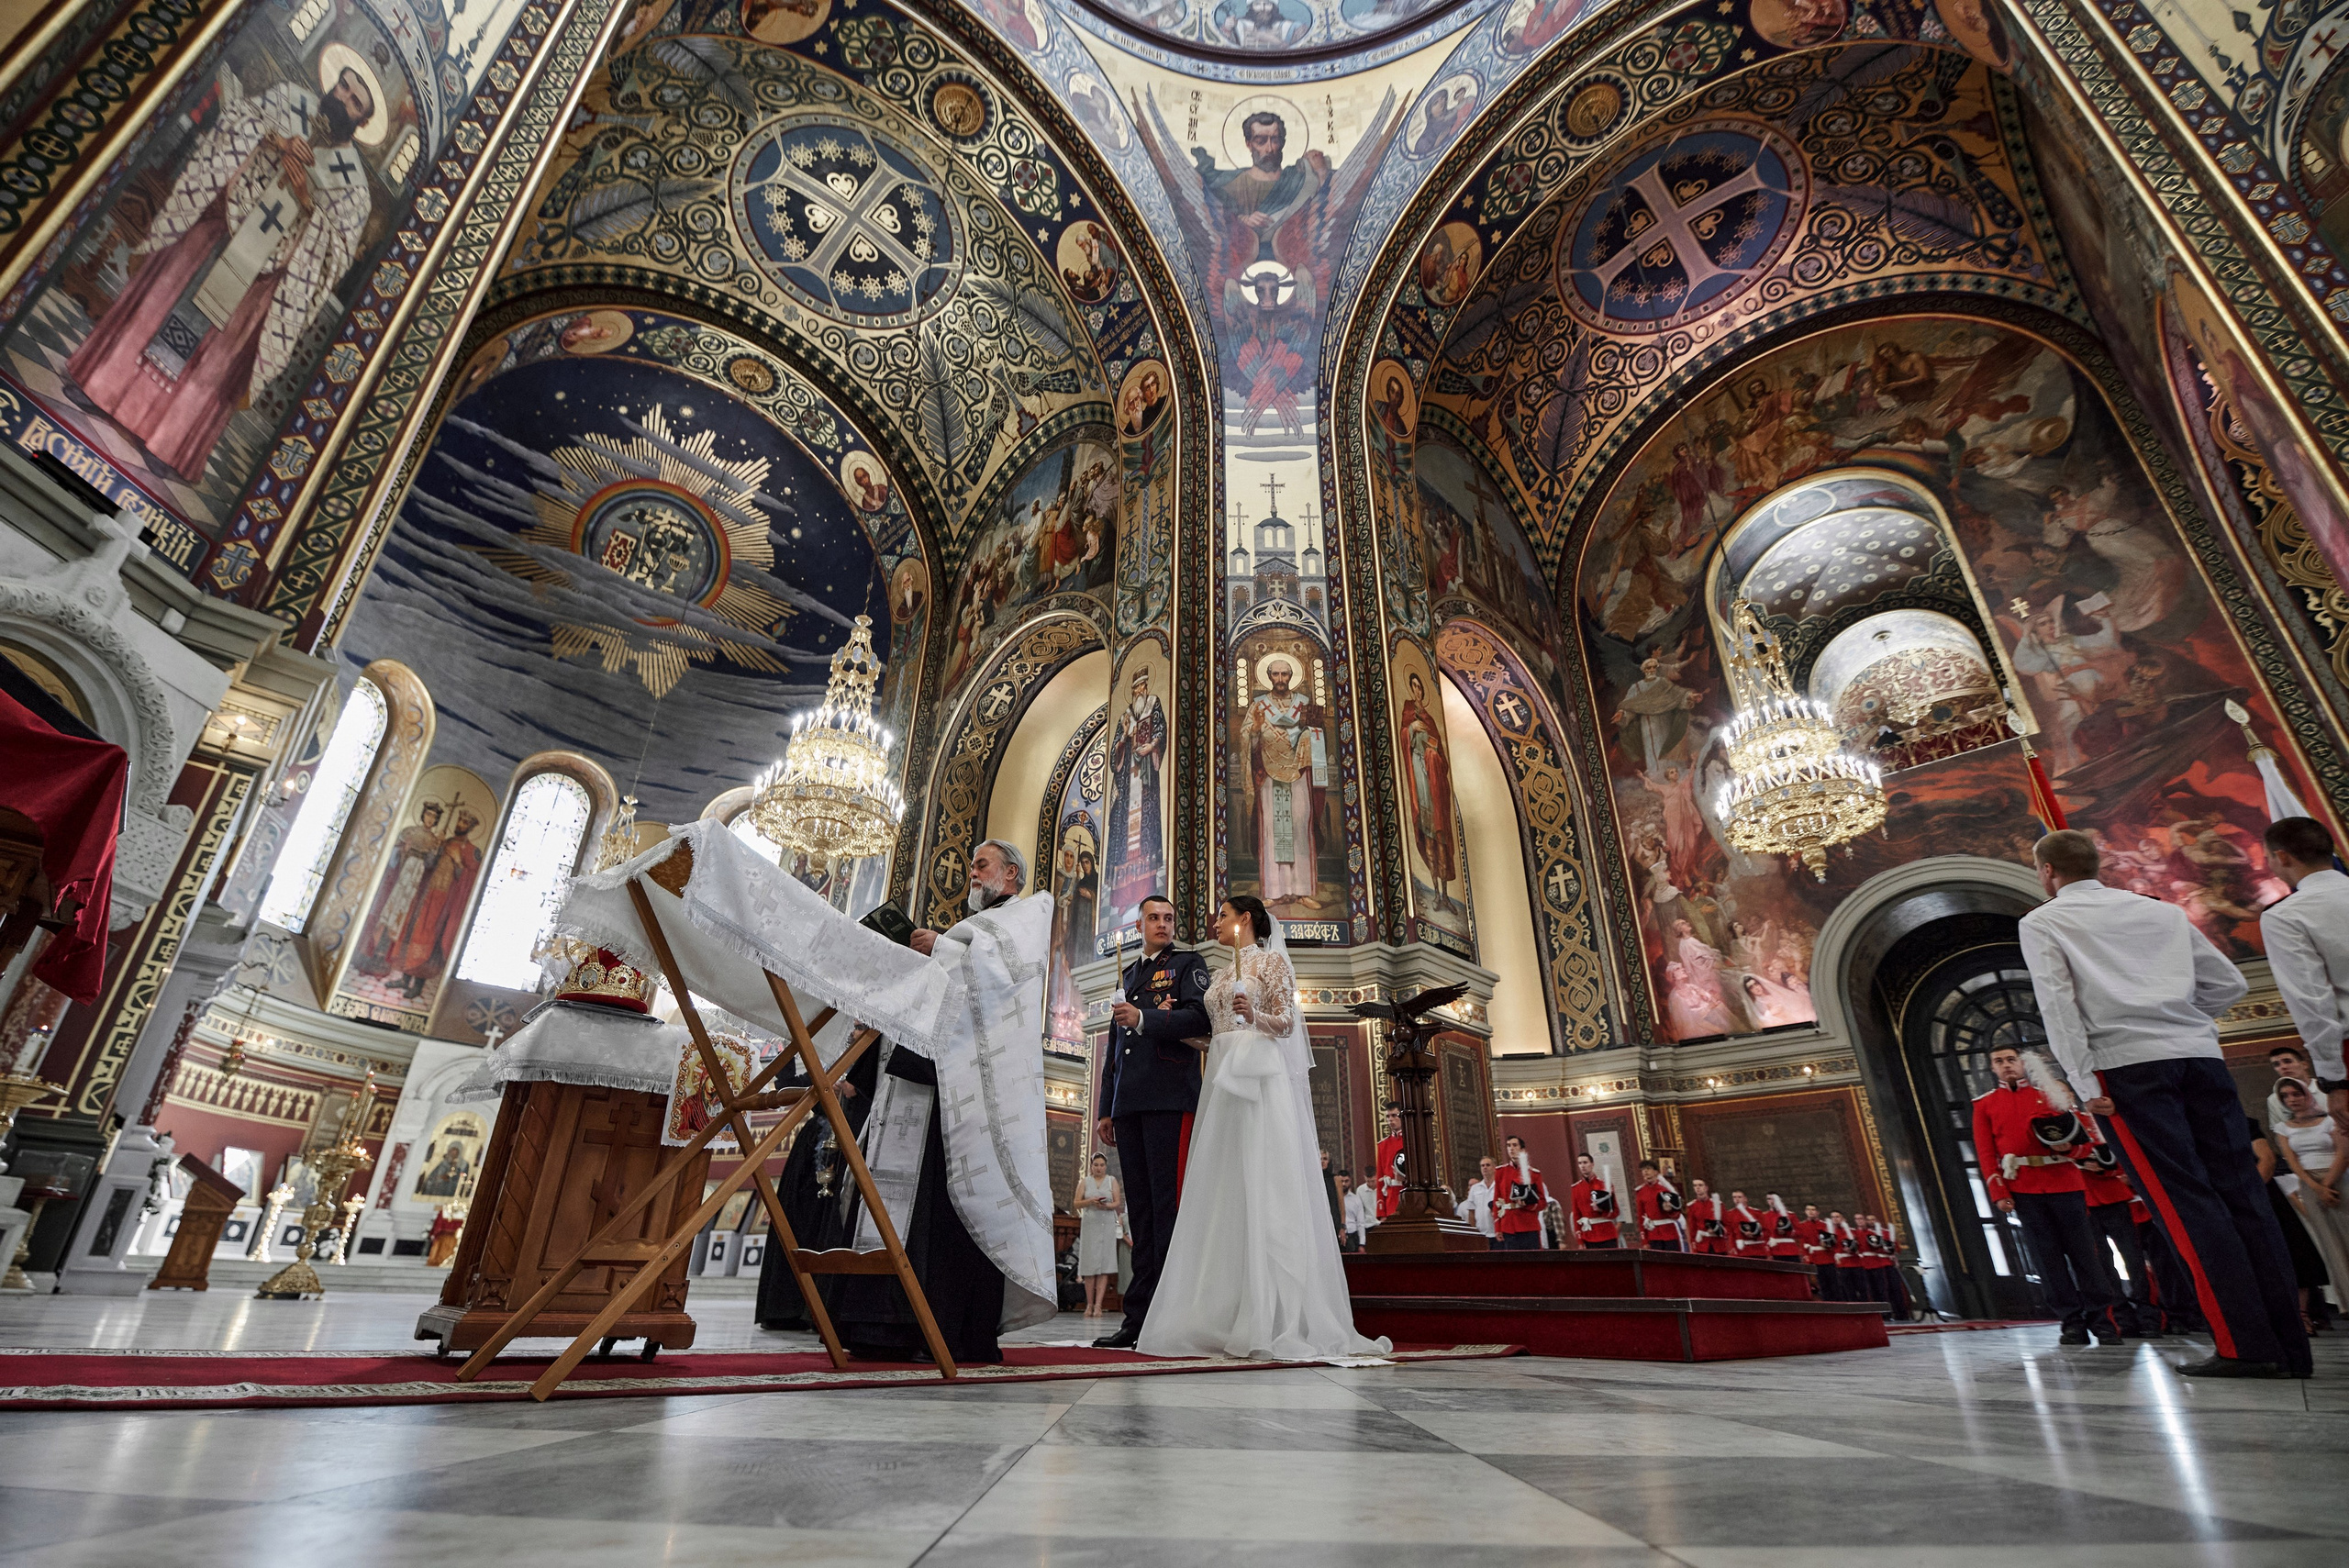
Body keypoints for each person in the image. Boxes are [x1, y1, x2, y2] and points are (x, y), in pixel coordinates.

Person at [2020, 828, 2310, 1377]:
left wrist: (2085, 1086)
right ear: (2096, 865)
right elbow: (2228, 984)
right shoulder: (2161, 912)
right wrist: (2180, 1017)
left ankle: (2245, 1345)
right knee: (2244, 1194)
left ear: (2048, 872)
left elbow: (2058, 1007)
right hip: (2201, 1059)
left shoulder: (2044, 921)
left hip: (2127, 1067)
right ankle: (2290, 1345)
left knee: (2185, 1202)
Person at [815, 838, 1055, 1364]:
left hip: (984, 1090)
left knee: (960, 1208)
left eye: (982, 865)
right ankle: (890, 1325)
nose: (972, 873)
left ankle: (954, 1328)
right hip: (932, 1076)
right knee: (918, 1200)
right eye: (971, 865)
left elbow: (1001, 972)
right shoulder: (967, 931)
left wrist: (940, 947)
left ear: (1011, 874)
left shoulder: (1031, 910)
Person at [1139, 896, 1390, 1359]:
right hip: (1221, 1079)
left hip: (1259, 1081)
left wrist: (1254, 1015)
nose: (1215, 921)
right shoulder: (1216, 974)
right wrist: (1175, 1024)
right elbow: (1213, 1037)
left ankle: (1271, 1312)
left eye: (1223, 915)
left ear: (1245, 920)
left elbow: (1287, 1023)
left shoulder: (1272, 962)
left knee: (1263, 1182)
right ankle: (1221, 1305)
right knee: (1223, 1187)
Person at [1093, 894, 1213, 1349]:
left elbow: (1199, 1017)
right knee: (1140, 1215)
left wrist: (1144, 1017)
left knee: (1168, 1209)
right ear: (1139, 925)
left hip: (1169, 1097)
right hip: (1130, 1105)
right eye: (1154, 918)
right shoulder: (1128, 973)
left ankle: (1169, 1313)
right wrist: (1107, 1105)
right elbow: (1113, 1047)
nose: (1162, 924)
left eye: (1168, 917)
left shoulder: (1187, 964)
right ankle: (1137, 1318)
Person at [1972, 1042, 2123, 1344]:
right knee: (2047, 1260)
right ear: (1992, 1068)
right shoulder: (1984, 1105)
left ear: (2022, 1063)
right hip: (2023, 1187)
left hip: (2065, 1182)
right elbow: (1986, 1153)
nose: (2006, 1065)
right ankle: (2071, 1322)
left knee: (2086, 1256)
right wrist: (1998, 1190)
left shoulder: (2050, 1095)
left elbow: (2086, 1142)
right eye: (1999, 1061)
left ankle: (2103, 1320)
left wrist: (2072, 1149)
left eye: (2011, 1059)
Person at [2260, 817, 2349, 1138]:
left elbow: (2312, 1000)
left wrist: (2334, 1080)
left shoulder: (2285, 916)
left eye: (2268, 856)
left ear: (2282, 857)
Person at [2273, 1076, 2349, 1320]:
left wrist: (2327, 1184)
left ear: (2307, 1094)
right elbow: (2291, 1161)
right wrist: (2315, 1188)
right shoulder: (2283, 1128)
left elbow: (2343, 1152)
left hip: (2339, 1178)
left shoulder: (2329, 1119)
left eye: (2296, 1094)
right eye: (2285, 1096)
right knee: (2330, 1244)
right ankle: (2346, 1301)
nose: (2292, 1099)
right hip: (2310, 1185)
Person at [2078, 1139, 2151, 1339]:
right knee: (2103, 1263)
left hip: (2114, 1193)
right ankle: (2122, 1317)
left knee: (2133, 1258)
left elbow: (2122, 1155)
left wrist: (2107, 1170)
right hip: (2085, 1199)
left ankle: (2148, 1317)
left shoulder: (2097, 1125)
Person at [1076, 1153, 1122, 1319]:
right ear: (1091, 1166)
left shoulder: (1112, 1181)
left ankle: (1098, 1305)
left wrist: (1106, 1205)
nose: (1099, 1168)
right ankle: (1089, 1304)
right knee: (1090, 1265)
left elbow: (1117, 1202)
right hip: (1090, 1224)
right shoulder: (1084, 1182)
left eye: (1102, 1165)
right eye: (1096, 1165)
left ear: (1106, 1166)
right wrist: (1090, 1202)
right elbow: (1076, 1202)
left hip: (1106, 1223)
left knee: (1104, 1264)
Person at [1493, 1137, 1547, 1250]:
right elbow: (1496, 1201)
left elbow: (1542, 1202)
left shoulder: (1534, 1174)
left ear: (1522, 1150)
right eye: (1508, 1145)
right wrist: (1498, 1227)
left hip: (1528, 1224)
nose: (1511, 1148)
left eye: (1514, 1145)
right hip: (1508, 1225)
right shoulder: (1500, 1172)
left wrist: (1528, 1204)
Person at [1570, 1153, 1620, 1248]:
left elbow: (1616, 1211)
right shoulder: (1576, 1188)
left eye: (1585, 1162)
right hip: (1588, 1235)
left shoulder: (1604, 1185)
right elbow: (1576, 1215)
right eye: (1580, 1163)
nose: (1583, 1166)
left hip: (1607, 1233)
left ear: (1592, 1164)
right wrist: (1580, 1241)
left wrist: (1601, 1210)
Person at [1634, 1160, 1685, 1250]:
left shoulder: (1665, 1189)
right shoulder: (1641, 1192)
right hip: (1653, 1235)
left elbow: (1677, 1212)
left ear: (1656, 1172)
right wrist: (1644, 1240)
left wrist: (1669, 1210)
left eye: (1648, 1169)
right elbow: (1641, 1217)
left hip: (1669, 1232)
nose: (1645, 1171)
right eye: (1643, 1169)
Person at [1795, 1203, 1836, 1296]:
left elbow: (1833, 1241)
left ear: (1817, 1212)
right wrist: (1806, 1257)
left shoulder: (1825, 1225)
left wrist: (1828, 1245)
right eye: (1808, 1209)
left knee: (1833, 1284)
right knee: (1821, 1284)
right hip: (1813, 1258)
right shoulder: (1801, 1226)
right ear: (1805, 1212)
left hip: (1827, 1257)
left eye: (1813, 1210)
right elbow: (1801, 1243)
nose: (1811, 1212)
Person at [1373, 1106, 1406, 1222]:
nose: (1390, 1119)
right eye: (1388, 1116)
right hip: (1390, 1200)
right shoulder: (1383, 1145)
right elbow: (1380, 1179)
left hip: (1408, 1198)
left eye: (1394, 1115)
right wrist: (1381, 1212)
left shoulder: (1411, 1141)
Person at [1457, 1155, 1499, 1244]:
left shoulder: (1500, 1186)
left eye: (1488, 1165)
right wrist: (1473, 1233)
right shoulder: (1475, 1188)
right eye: (1482, 1165)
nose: (1485, 1168)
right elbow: (1471, 1212)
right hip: (1481, 1233)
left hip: (1498, 1233)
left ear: (1494, 1167)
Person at [1685, 1178, 1726, 1254]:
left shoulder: (1718, 1204)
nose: (1698, 1188)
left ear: (1706, 1188)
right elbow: (1692, 1227)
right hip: (1702, 1243)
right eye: (1695, 1186)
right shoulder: (1691, 1206)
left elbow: (1726, 1223)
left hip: (1718, 1243)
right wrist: (1693, 1243)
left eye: (1700, 1185)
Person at [1726, 1190, 1768, 1258]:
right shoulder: (1729, 1214)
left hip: (1758, 1249)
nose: (1737, 1199)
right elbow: (1730, 1233)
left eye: (1739, 1197)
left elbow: (1765, 1230)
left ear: (1745, 1199)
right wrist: (1732, 1248)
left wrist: (1755, 1234)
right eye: (1734, 1197)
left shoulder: (1756, 1213)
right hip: (1740, 1250)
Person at [1765, 1195, 1802, 1262]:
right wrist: (1768, 1253)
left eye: (1774, 1199)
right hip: (1775, 1250)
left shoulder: (1790, 1215)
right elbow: (1765, 1236)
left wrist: (1787, 1232)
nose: (1771, 1201)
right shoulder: (1765, 1216)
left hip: (1791, 1250)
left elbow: (1800, 1233)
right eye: (1769, 1199)